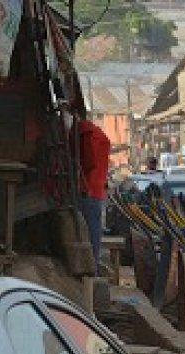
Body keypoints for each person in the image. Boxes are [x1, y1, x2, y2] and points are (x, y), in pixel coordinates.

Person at [75, 106, 111, 273]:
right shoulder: (96, 133)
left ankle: (90, 270)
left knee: (89, 234)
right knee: (93, 233)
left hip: (87, 190)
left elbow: (89, 163)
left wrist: (80, 177)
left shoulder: (85, 133)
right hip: (95, 190)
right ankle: (92, 268)